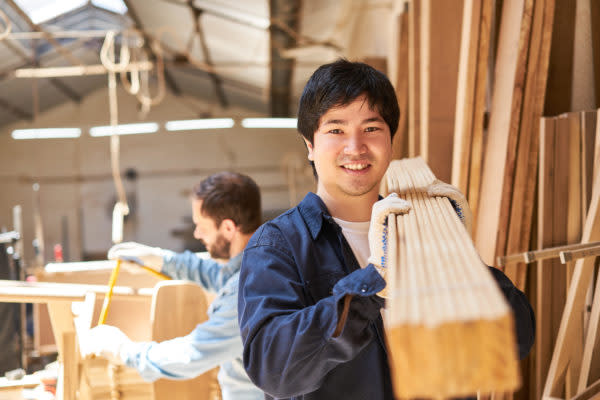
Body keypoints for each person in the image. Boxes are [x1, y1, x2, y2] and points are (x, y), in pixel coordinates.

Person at [237, 59, 535, 400]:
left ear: (391, 140)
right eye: (336, 130)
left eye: (371, 128)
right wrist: (371, 283)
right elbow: (273, 370)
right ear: (310, 145)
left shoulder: (422, 228)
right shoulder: (278, 245)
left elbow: (516, 341)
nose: (355, 147)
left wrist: (465, 261)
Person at [82, 171, 264, 400]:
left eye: (202, 227)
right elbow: (214, 274)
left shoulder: (247, 292)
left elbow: (191, 354)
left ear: (228, 228)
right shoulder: (257, 264)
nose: (197, 233)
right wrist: (161, 260)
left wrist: (124, 351)